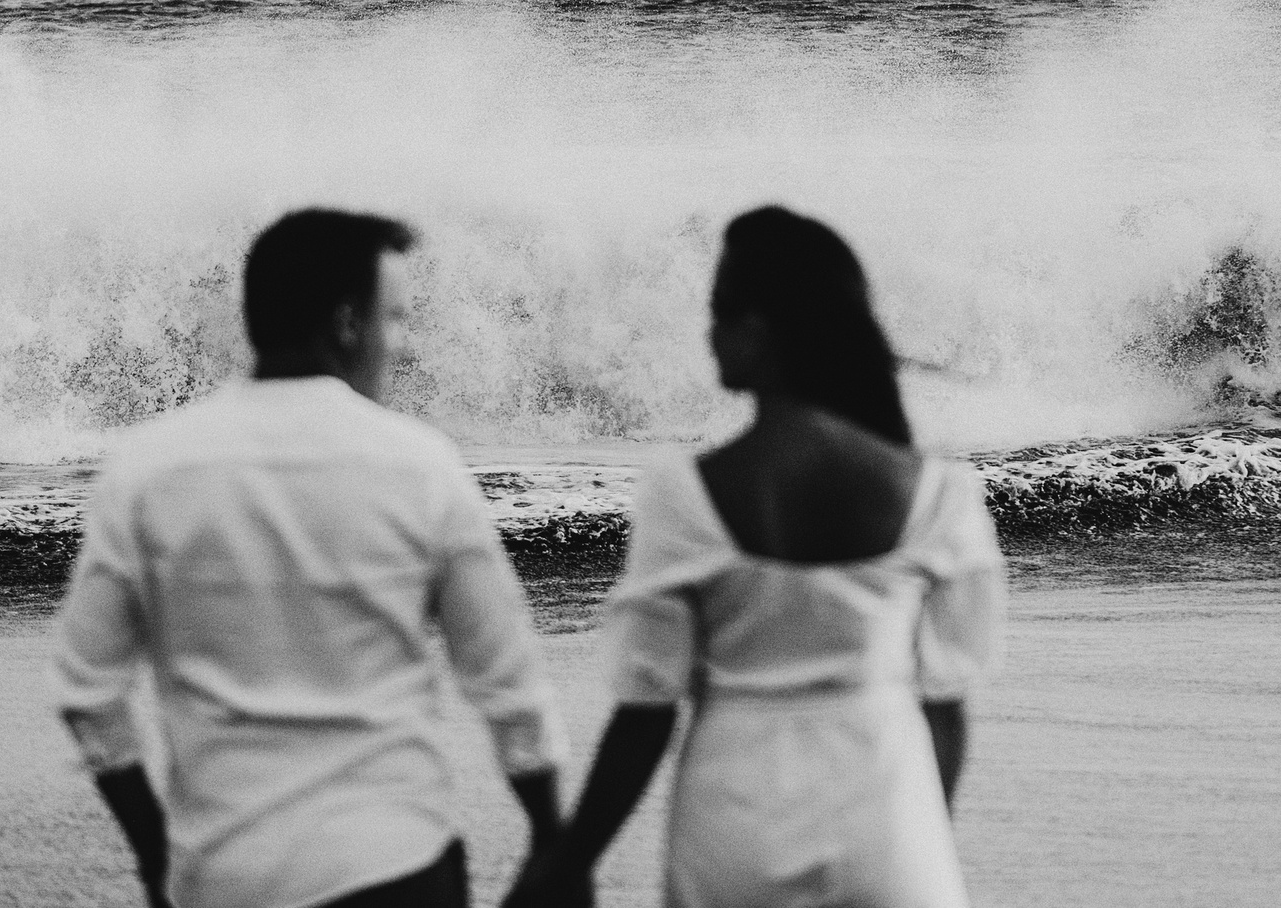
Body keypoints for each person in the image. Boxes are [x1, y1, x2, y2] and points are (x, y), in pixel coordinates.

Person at [52, 209, 569, 908]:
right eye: (399, 318)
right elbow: (507, 678)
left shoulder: (147, 470)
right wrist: (548, 835)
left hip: (225, 872)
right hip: (396, 865)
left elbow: (88, 690)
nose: (407, 347)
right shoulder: (419, 466)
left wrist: (154, 854)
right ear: (349, 323)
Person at [509, 207, 1006, 908]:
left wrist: (571, 857)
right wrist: (920, 834)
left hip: (736, 821)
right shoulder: (937, 493)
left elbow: (647, 711)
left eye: (720, 309)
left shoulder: (684, 493)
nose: (709, 329)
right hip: (887, 820)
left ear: (764, 330)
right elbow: (946, 708)